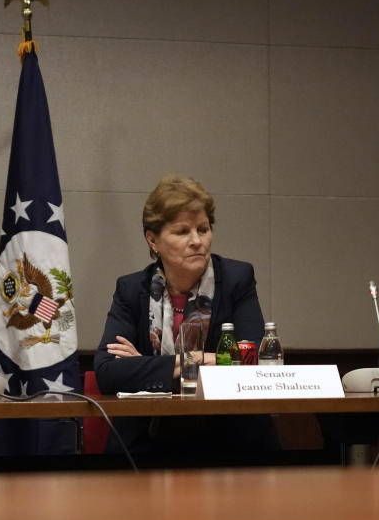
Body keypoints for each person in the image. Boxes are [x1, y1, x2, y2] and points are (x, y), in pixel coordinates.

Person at [94, 175, 276, 455]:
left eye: (203, 229)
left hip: (231, 439)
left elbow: (250, 362)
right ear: (153, 239)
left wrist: (144, 365)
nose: (197, 241)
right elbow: (107, 372)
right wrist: (200, 359)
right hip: (147, 441)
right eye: (182, 232)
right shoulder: (131, 290)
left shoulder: (237, 279)